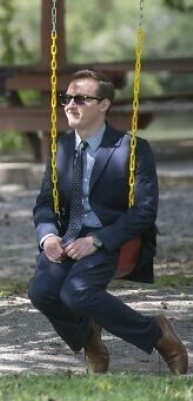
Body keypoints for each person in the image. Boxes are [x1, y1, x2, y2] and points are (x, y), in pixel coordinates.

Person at [27, 69, 188, 375]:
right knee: (41, 291)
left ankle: (159, 335)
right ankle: (89, 336)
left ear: (104, 105)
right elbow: (45, 203)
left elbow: (144, 210)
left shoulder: (132, 148)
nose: (70, 105)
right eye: (66, 98)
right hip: (68, 236)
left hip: (111, 236)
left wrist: (97, 240)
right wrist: (47, 237)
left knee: (76, 293)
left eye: (80, 99)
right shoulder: (60, 148)